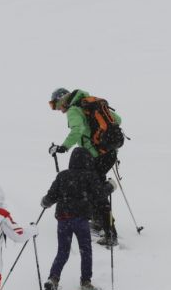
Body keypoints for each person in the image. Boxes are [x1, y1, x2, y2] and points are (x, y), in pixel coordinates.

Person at [48, 87, 123, 247]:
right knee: (94, 188)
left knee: (96, 191)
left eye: (57, 105)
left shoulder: (74, 110)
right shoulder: (90, 104)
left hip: (96, 155)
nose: (59, 110)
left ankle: (110, 233)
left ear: (63, 100)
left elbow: (78, 129)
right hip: (109, 153)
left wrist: (64, 147)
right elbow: (118, 119)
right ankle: (99, 222)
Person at [40, 147, 110, 290]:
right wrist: (110, 187)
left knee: (62, 251)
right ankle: (86, 282)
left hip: (63, 219)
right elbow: (100, 196)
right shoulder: (89, 176)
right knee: (85, 250)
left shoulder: (63, 175)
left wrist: (45, 201)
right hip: (80, 219)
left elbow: (51, 197)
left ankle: (53, 279)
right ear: (87, 160)